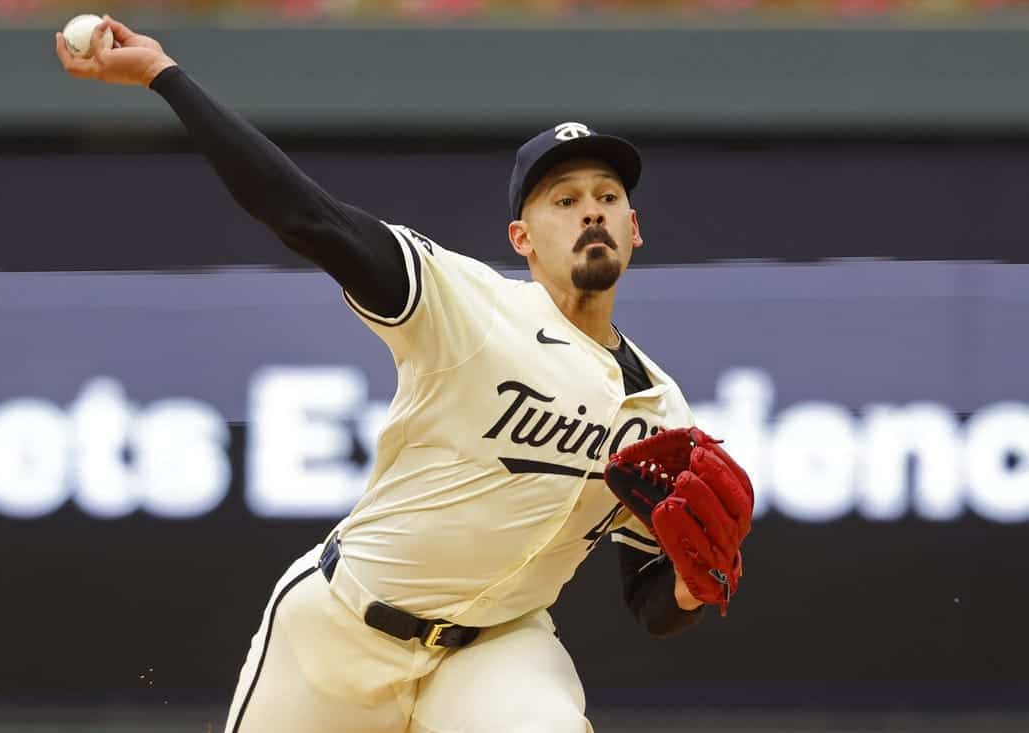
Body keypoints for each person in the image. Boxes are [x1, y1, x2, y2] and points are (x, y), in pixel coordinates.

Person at [55, 17, 747, 733]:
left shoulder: (661, 411)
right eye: (563, 200)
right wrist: (165, 76)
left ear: (633, 228)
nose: (590, 212)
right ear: (522, 238)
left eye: (606, 197)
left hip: (496, 653)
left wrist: (690, 591)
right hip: (340, 633)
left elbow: (649, 600)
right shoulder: (462, 301)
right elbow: (305, 216)